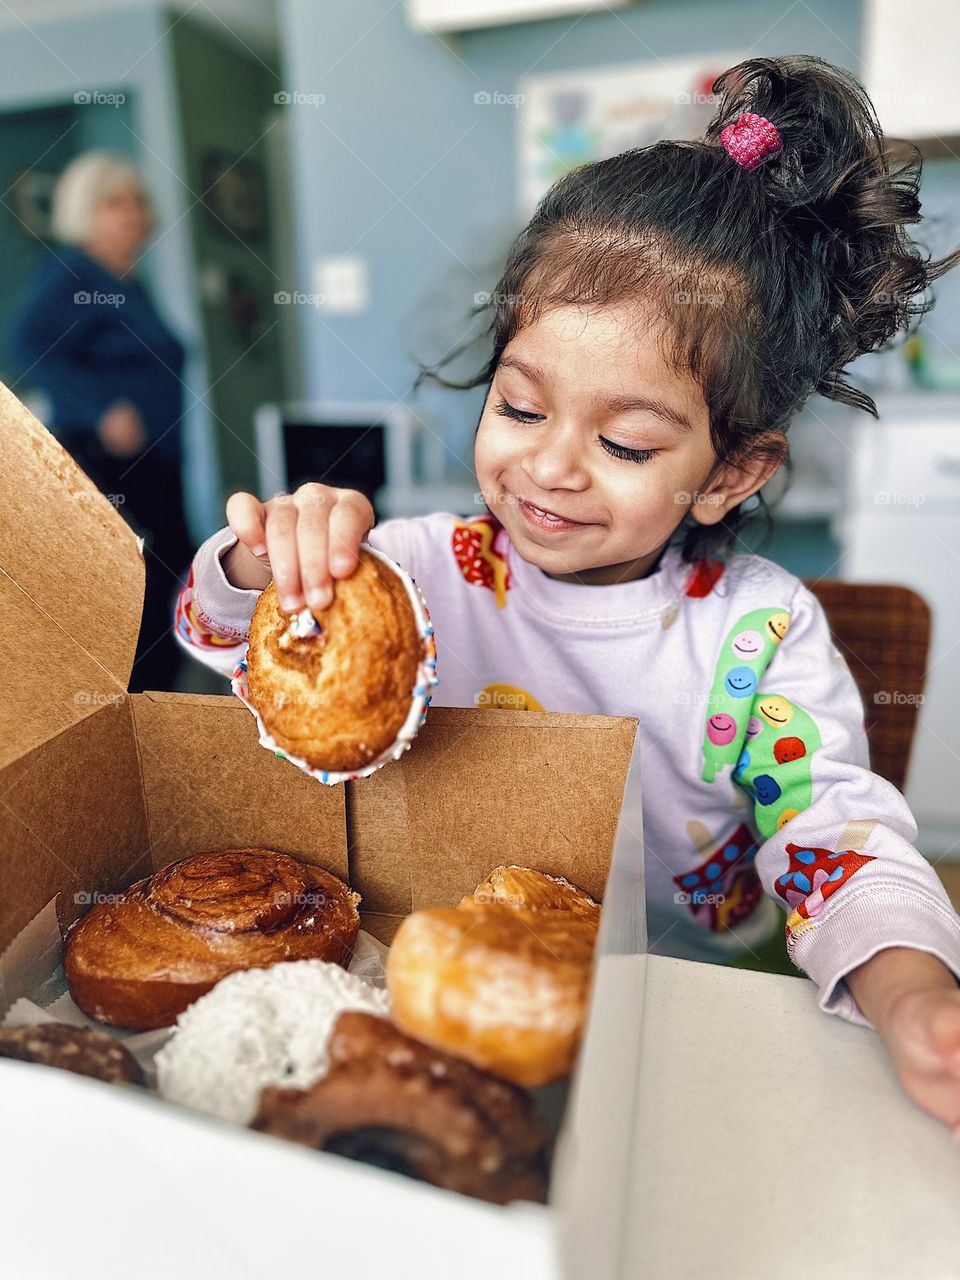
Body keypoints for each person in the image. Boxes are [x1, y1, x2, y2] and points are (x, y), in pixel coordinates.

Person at [174, 56, 960, 1133]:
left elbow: (835, 831)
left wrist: (914, 989)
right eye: (522, 407)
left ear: (730, 473)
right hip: (435, 972)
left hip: (679, 999)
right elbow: (220, 639)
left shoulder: (755, 637)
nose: (550, 469)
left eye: (627, 441)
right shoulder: (412, 571)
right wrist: (268, 564)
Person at [10, 150, 192, 693]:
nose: (133, 213)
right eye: (115, 203)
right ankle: (135, 714)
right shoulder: (73, 272)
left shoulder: (126, 281)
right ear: (86, 211)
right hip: (109, 462)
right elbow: (26, 346)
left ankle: (156, 710)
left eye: (138, 201)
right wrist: (101, 407)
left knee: (168, 572)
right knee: (136, 587)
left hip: (156, 460)